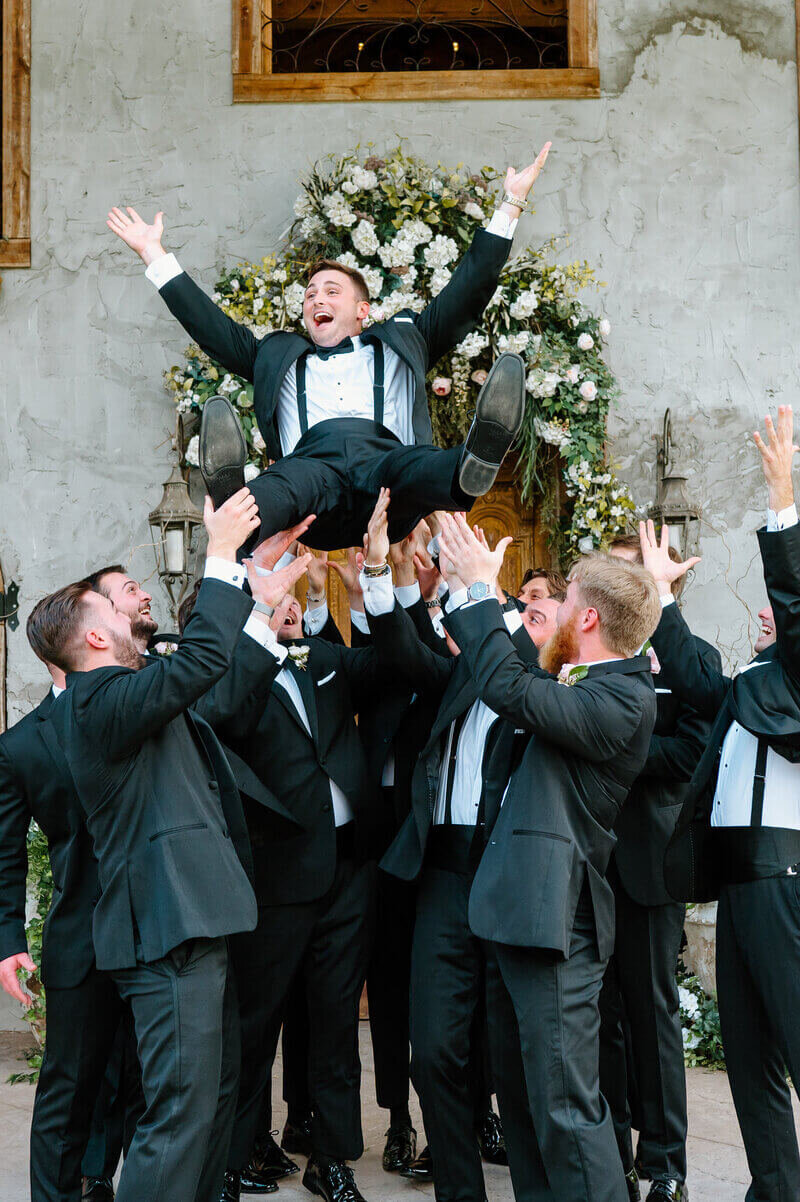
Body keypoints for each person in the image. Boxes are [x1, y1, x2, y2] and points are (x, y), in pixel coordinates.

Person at [28, 489, 310, 1202]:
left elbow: (208, 682)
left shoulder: (140, 691)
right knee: (178, 1117)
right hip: (165, 936)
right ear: (94, 638)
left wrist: (252, 596)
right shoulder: (100, 705)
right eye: (118, 610)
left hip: (198, 923)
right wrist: (218, 556)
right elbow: (202, 660)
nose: (134, 612)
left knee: (212, 1105)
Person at [106, 145, 551, 552]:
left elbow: (465, 294)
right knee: (286, 482)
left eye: (331, 291)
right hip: (313, 481)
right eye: (310, 294)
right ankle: (236, 503)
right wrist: (154, 254)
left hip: (385, 480)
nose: (317, 299)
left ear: (363, 309)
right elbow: (211, 328)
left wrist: (510, 205)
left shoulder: (404, 341)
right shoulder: (277, 358)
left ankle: (473, 461)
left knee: (417, 464)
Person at [435, 512, 661, 1202]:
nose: (550, 611)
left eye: (562, 601)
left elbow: (509, 690)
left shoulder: (623, 697)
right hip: (515, 913)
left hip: (559, 926)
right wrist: (463, 588)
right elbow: (520, 679)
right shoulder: (578, 680)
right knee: (527, 1106)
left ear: (587, 619)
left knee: (566, 1109)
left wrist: (481, 592)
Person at [358, 492, 551, 1202]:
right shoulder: (463, 668)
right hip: (440, 869)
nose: (525, 622)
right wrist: (381, 574)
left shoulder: (543, 671)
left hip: (507, 869)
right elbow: (407, 651)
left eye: (536, 612)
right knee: (434, 1047)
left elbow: (513, 651)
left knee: (515, 1053)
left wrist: (482, 586)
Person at [640, 406, 800, 1202]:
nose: (767, 614)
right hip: (736, 884)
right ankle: (774, 1187)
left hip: (782, 880)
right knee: (748, 1054)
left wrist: (783, 505)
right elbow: (701, 686)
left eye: (784, 613)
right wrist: (665, 603)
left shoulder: (797, 682)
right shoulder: (755, 685)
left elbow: (793, 612)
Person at [598, 533, 721, 1202]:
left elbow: (694, 748)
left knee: (652, 1012)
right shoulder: (583, 656)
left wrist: (616, 749)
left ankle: (664, 1165)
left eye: (632, 574)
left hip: (647, 861)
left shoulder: (684, 655)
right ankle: (610, 1154)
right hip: (588, 862)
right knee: (600, 1015)